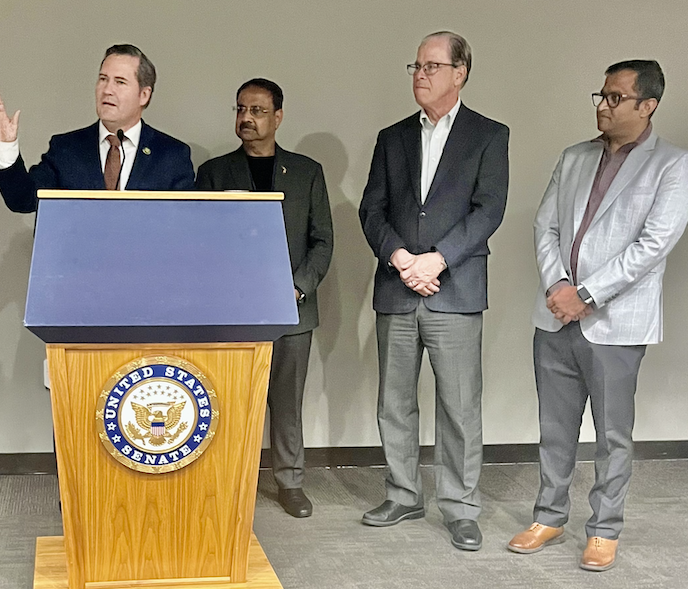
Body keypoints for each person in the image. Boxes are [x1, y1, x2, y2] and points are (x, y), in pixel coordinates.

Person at [507, 60, 688, 572]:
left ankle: (605, 528)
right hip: (555, 317)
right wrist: (556, 286)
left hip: (615, 322)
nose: (602, 106)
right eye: (601, 96)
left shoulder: (671, 165)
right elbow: (545, 228)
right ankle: (549, 515)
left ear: (647, 106)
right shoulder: (574, 157)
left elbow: (653, 244)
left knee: (612, 434)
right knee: (554, 427)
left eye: (614, 98)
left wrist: (585, 293)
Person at [358, 31, 509, 551]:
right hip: (398, 288)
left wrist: (437, 259)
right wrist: (402, 259)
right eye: (416, 66)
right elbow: (371, 210)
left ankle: (461, 507)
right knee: (394, 403)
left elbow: (489, 209)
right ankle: (403, 494)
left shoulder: (489, 134)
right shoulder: (392, 137)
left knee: (460, 407)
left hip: (455, 288)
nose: (420, 75)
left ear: (460, 72)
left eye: (431, 66)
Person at [196, 78, 333, 518]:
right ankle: (230, 479)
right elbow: (200, 241)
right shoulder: (214, 173)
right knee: (232, 400)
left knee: (286, 403)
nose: (246, 119)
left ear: (278, 116)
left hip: (292, 308)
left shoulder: (308, 172)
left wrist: (297, 286)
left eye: (256, 111)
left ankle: (290, 482)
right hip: (232, 311)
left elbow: (322, 242)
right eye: (240, 109)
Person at [0, 44, 194, 210]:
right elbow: (23, 200)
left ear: (144, 95)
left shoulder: (171, 156)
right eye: (103, 79)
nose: (107, 90)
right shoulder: (67, 149)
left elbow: (183, 226)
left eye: (120, 82)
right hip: (74, 267)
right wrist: (5, 147)